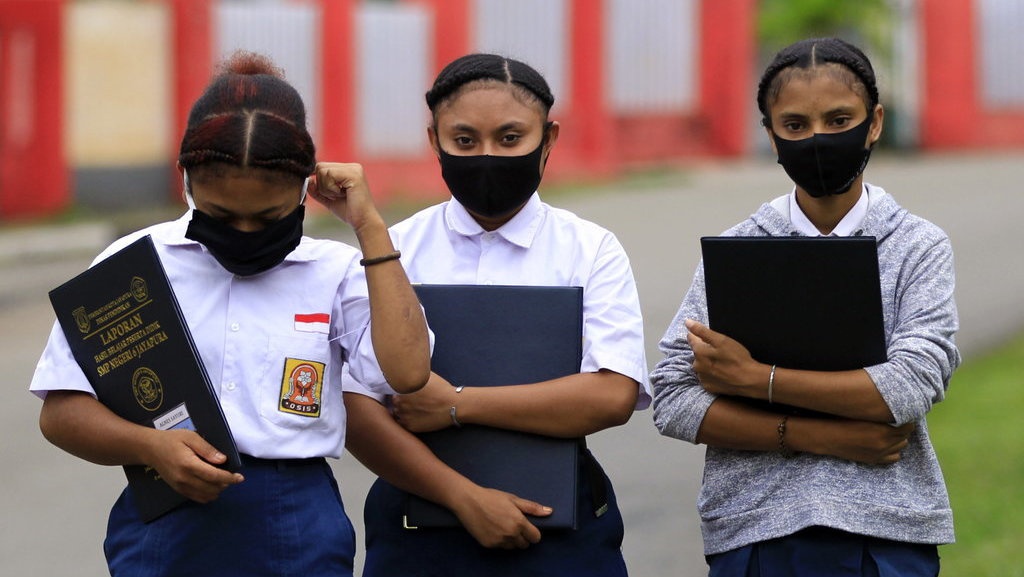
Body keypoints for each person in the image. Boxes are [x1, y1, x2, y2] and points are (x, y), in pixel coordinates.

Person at [29, 51, 431, 577]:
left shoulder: (338, 271)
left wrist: (370, 227)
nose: (244, 232)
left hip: (298, 525)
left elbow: (408, 372)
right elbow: (60, 413)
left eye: (268, 217)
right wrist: (149, 445)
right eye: (220, 214)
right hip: (165, 519)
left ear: (307, 186)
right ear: (186, 179)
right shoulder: (132, 267)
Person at [649, 37, 960, 576]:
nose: (818, 139)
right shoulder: (738, 249)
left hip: (884, 531)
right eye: (795, 125)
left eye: (840, 120)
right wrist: (821, 435)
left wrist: (753, 378)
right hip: (754, 531)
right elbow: (672, 397)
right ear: (769, 134)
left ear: (876, 121)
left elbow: (909, 387)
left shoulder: (917, 244)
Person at [342, 53, 649, 576]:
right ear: (433, 138)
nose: (487, 156)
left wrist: (457, 405)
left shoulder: (589, 248)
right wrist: (463, 497)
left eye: (510, 139)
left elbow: (612, 393)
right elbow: (356, 406)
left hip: (560, 527)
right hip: (416, 530)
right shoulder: (393, 250)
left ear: (548, 139)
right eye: (464, 141)